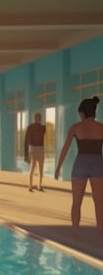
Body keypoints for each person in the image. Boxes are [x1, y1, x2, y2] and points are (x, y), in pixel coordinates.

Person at [55, 95, 103, 233]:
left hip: (80, 164)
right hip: (98, 164)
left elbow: (65, 148)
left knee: (76, 202)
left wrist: (58, 167)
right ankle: (100, 234)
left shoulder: (76, 127)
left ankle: (75, 232)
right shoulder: (101, 127)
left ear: (82, 113)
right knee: (99, 203)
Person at [24, 112, 46, 191]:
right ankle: (39, 185)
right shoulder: (43, 127)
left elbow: (27, 140)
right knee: (40, 168)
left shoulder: (30, 127)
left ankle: (30, 185)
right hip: (39, 148)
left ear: (35, 118)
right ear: (40, 119)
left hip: (33, 148)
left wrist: (27, 153)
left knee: (32, 167)